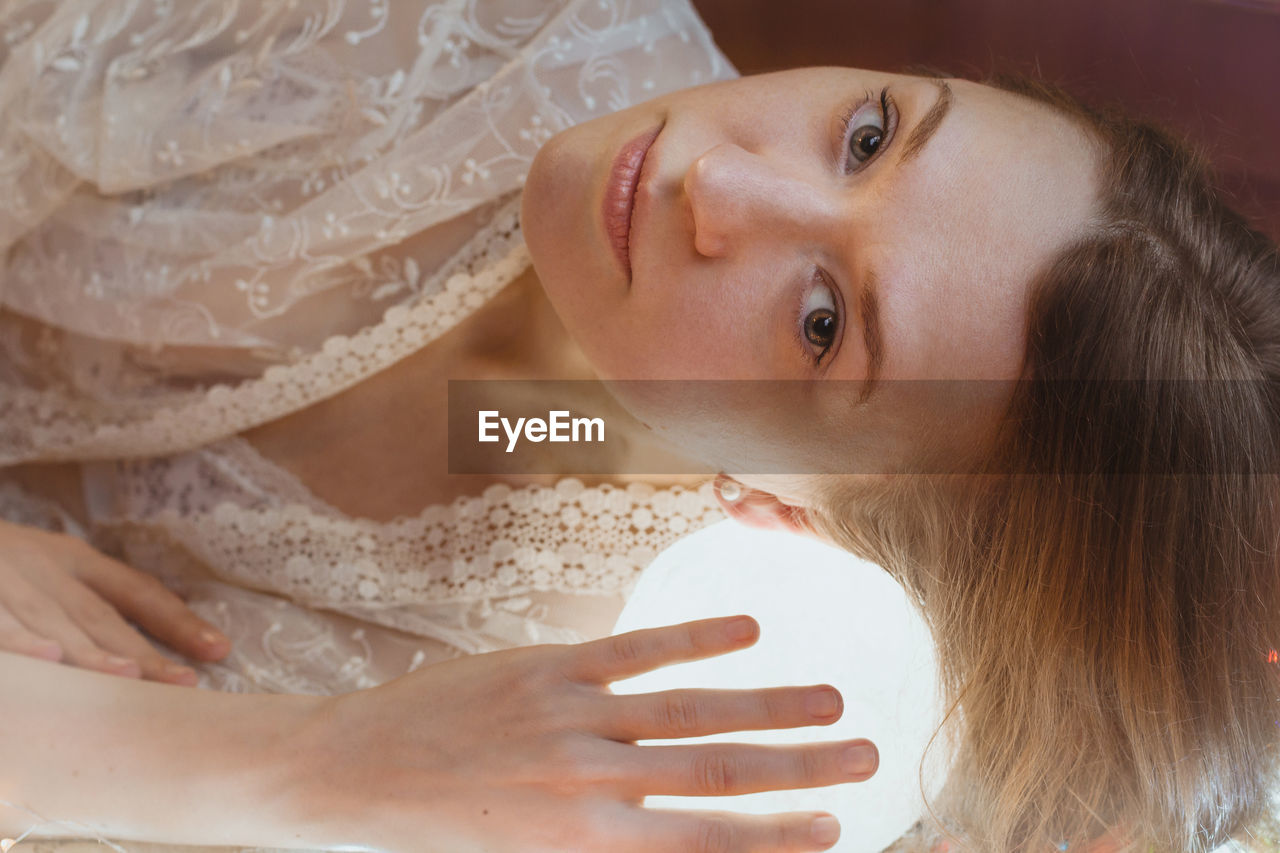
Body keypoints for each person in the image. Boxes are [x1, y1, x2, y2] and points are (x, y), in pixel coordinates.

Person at [0, 1, 1277, 852]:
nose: (716, 178)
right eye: (870, 134)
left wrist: (312, 765)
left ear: (804, 520)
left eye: (821, 323)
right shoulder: (479, 36)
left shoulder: (556, 721)